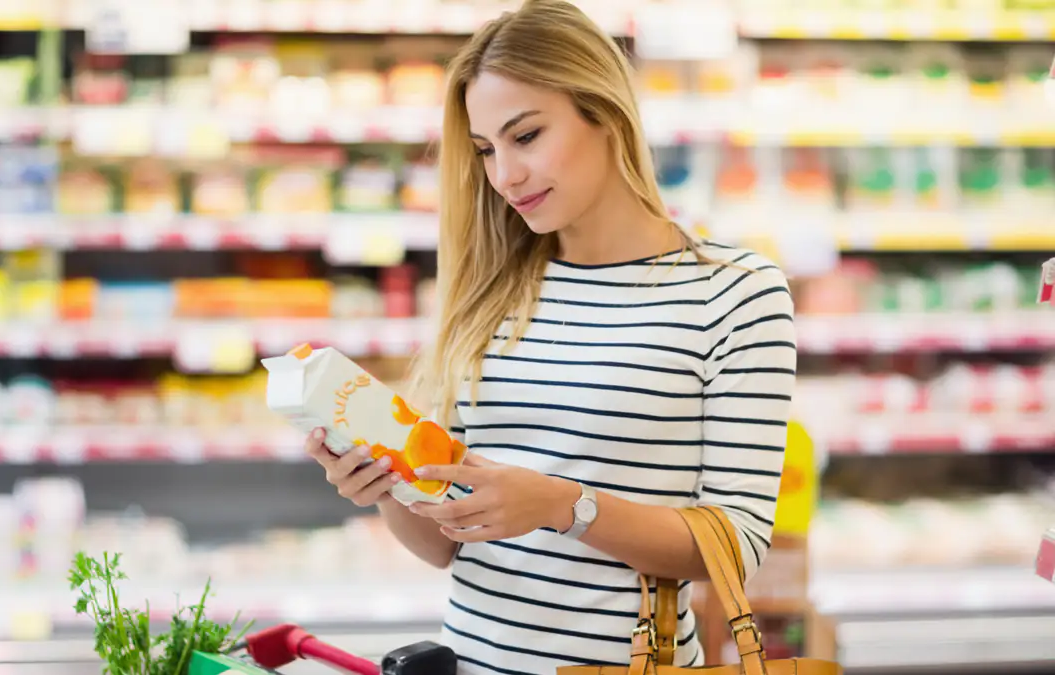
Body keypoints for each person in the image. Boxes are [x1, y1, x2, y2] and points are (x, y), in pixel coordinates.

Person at [303, 1, 797, 672]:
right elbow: (448, 542)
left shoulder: (735, 293)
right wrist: (389, 484)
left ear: (606, 114)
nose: (504, 175)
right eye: (485, 150)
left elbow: (736, 547)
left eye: (526, 135)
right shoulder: (488, 291)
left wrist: (566, 504)